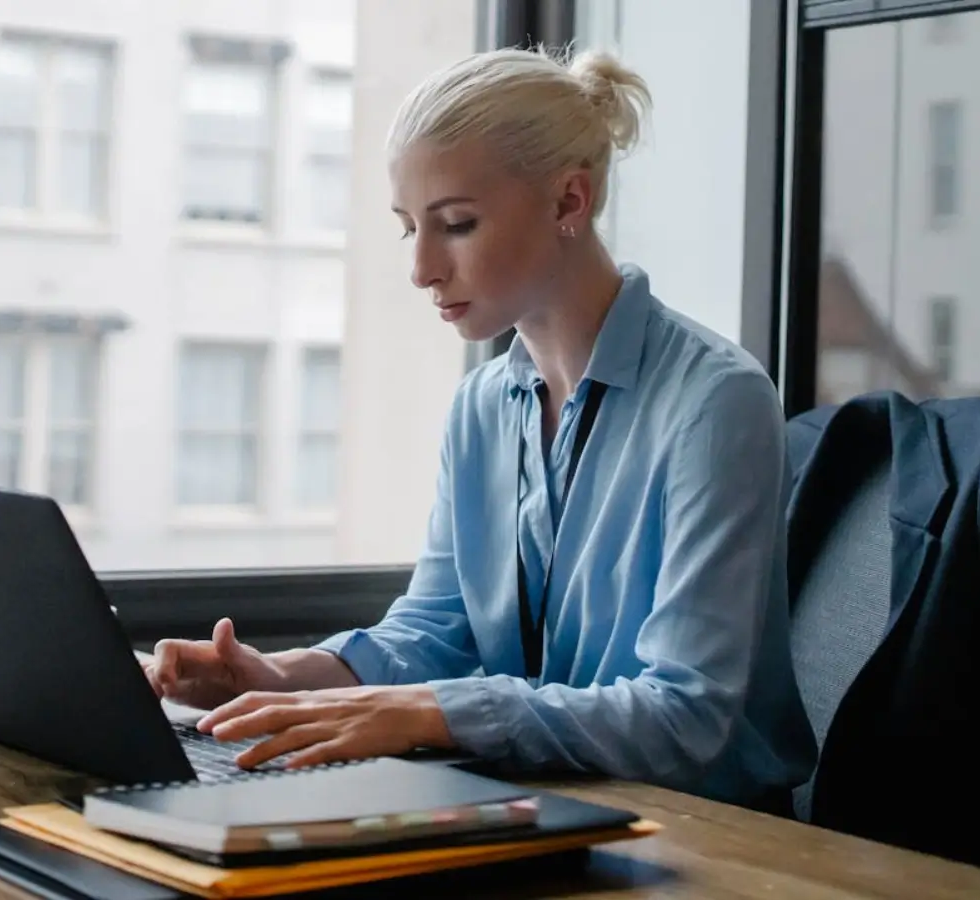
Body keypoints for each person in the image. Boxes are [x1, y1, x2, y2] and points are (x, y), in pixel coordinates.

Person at [143, 46, 817, 812]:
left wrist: (431, 712)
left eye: (457, 225)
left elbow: (684, 717)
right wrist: (283, 676)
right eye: (409, 229)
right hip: (541, 804)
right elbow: (438, 629)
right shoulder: (482, 407)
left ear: (569, 202)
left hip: (709, 834)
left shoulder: (716, 403)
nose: (422, 268)